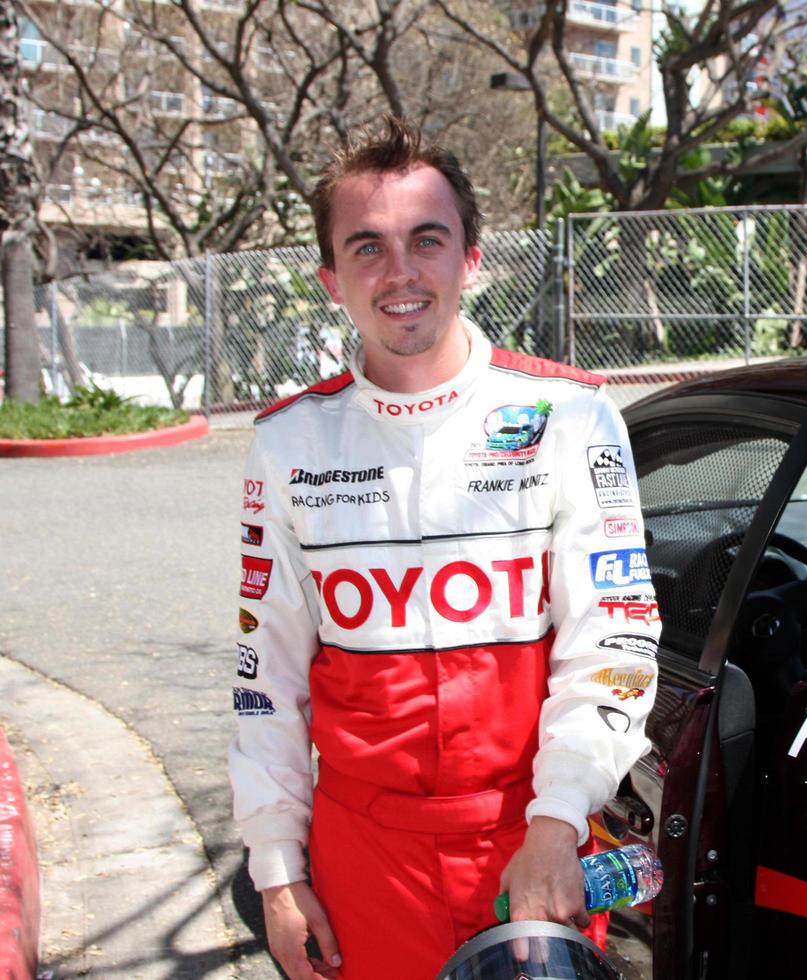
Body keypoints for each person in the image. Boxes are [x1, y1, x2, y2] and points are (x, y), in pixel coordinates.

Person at [228, 116, 659, 979]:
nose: (401, 273)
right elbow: (263, 676)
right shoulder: (286, 444)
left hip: (528, 844)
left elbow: (613, 642)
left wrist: (558, 823)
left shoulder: (570, 417)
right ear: (331, 279)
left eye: (427, 240)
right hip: (362, 857)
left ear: (470, 260)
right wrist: (277, 870)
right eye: (368, 248)